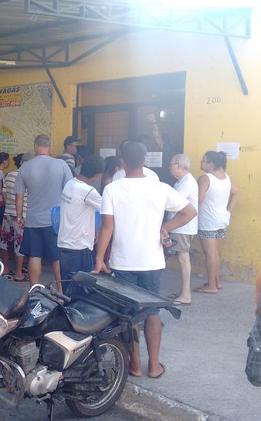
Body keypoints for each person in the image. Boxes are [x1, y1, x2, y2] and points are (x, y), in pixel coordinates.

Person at [93, 141, 197, 379]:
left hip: (123, 263)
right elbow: (190, 211)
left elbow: (107, 226)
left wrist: (99, 259)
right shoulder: (159, 187)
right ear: (145, 161)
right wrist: (165, 227)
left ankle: (135, 366)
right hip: (152, 262)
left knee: (129, 316)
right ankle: (154, 366)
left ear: (122, 162)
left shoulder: (113, 189)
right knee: (152, 314)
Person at [15, 134, 73, 287]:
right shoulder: (61, 165)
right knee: (56, 258)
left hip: (33, 220)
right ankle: (61, 292)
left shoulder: (25, 167)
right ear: (49, 146)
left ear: (35, 146)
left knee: (35, 255)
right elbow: (71, 191)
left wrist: (19, 216)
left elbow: (19, 196)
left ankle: (34, 291)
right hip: (56, 220)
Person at [57, 155, 104, 293]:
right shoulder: (88, 191)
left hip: (64, 244)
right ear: (98, 175)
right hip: (79, 247)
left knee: (68, 289)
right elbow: (109, 211)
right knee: (81, 292)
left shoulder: (70, 184)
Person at [195, 150, 240, 294]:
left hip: (208, 221)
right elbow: (236, 192)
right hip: (221, 219)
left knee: (209, 253)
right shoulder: (225, 177)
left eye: (203, 160)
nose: (201, 162)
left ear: (211, 163)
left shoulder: (205, 178)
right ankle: (216, 282)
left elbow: (199, 200)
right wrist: (228, 210)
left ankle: (211, 286)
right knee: (215, 252)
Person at [167, 154, 199, 305]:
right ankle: (184, 292)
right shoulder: (182, 181)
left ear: (178, 165)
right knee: (182, 258)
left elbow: (174, 202)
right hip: (180, 226)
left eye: (171, 165)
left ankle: (186, 295)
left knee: (183, 258)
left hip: (183, 227)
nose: (169, 168)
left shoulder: (187, 182)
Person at [0, 153, 30, 281]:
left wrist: (8, 206)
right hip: (21, 214)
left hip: (8, 212)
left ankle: (5, 268)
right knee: (19, 244)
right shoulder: (29, 176)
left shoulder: (10, 174)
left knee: (5, 241)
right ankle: (18, 273)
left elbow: (4, 193)